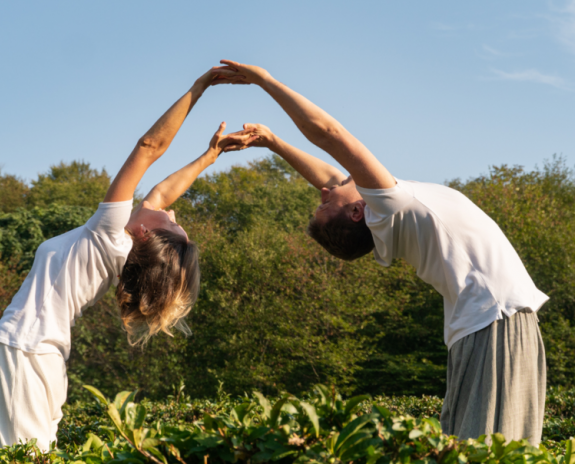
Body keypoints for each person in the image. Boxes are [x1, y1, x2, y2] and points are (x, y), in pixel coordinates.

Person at [220, 60, 550, 445]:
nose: (324, 191)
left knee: (464, 448)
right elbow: (328, 133)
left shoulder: (382, 215)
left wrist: (273, 142)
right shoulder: (390, 204)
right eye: (326, 203)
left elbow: (329, 177)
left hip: (481, 328)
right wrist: (266, 81)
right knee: (494, 450)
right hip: (497, 323)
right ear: (359, 210)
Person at [0, 67, 248, 451]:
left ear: (146, 233)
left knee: (19, 458)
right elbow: (161, 194)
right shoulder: (121, 244)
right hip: (43, 352)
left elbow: (148, 147)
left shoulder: (110, 233)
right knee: (35, 453)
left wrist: (200, 87)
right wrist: (209, 156)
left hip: (27, 347)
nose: (173, 214)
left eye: (174, 226)